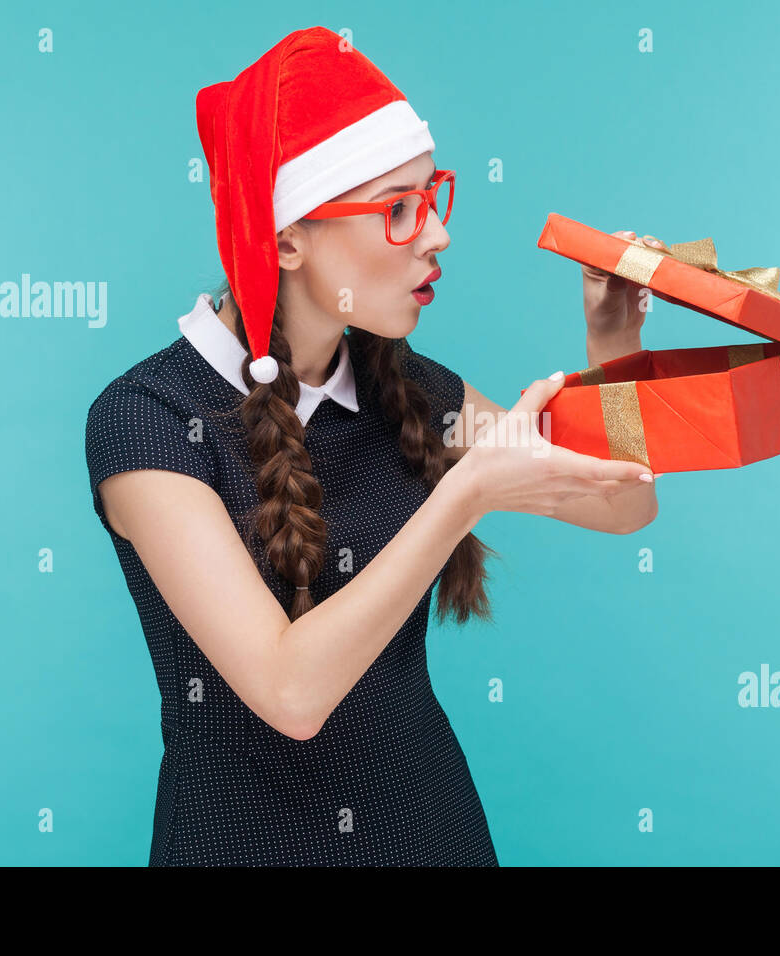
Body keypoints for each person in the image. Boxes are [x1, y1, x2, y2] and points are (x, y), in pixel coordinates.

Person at [84, 26, 661, 866]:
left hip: (432, 833)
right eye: (397, 208)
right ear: (286, 239)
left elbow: (625, 501)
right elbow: (290, 691)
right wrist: (463, 495)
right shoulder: (149, 421)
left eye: (434, 198)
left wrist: (615, 348)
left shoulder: (412, 389)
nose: (437, 236)